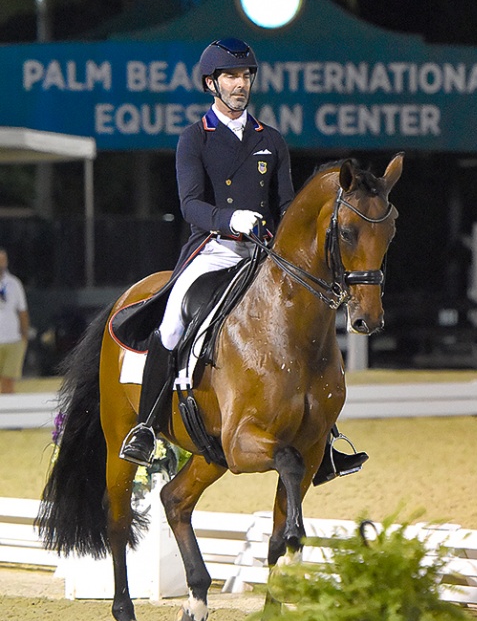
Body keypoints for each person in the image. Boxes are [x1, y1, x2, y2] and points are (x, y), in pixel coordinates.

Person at [119, 38, 368, 484]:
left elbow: (288, 204)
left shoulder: (270, 139)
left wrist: (280, 235)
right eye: (232, 77)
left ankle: (323, 440)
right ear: (211, 83)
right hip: (212, 248)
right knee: (174, 320)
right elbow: (190, 204)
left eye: (246, 76)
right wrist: (229, 218)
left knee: (305, 325)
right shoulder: (194, 138)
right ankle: (147, 427)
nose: (240, 84)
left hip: (264, 252)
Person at [0, 248, 30, 393]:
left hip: (12, 339)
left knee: (8, 382)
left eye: (3, 260)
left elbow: (22, 311)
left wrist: (24, 335)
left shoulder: (14, 284)